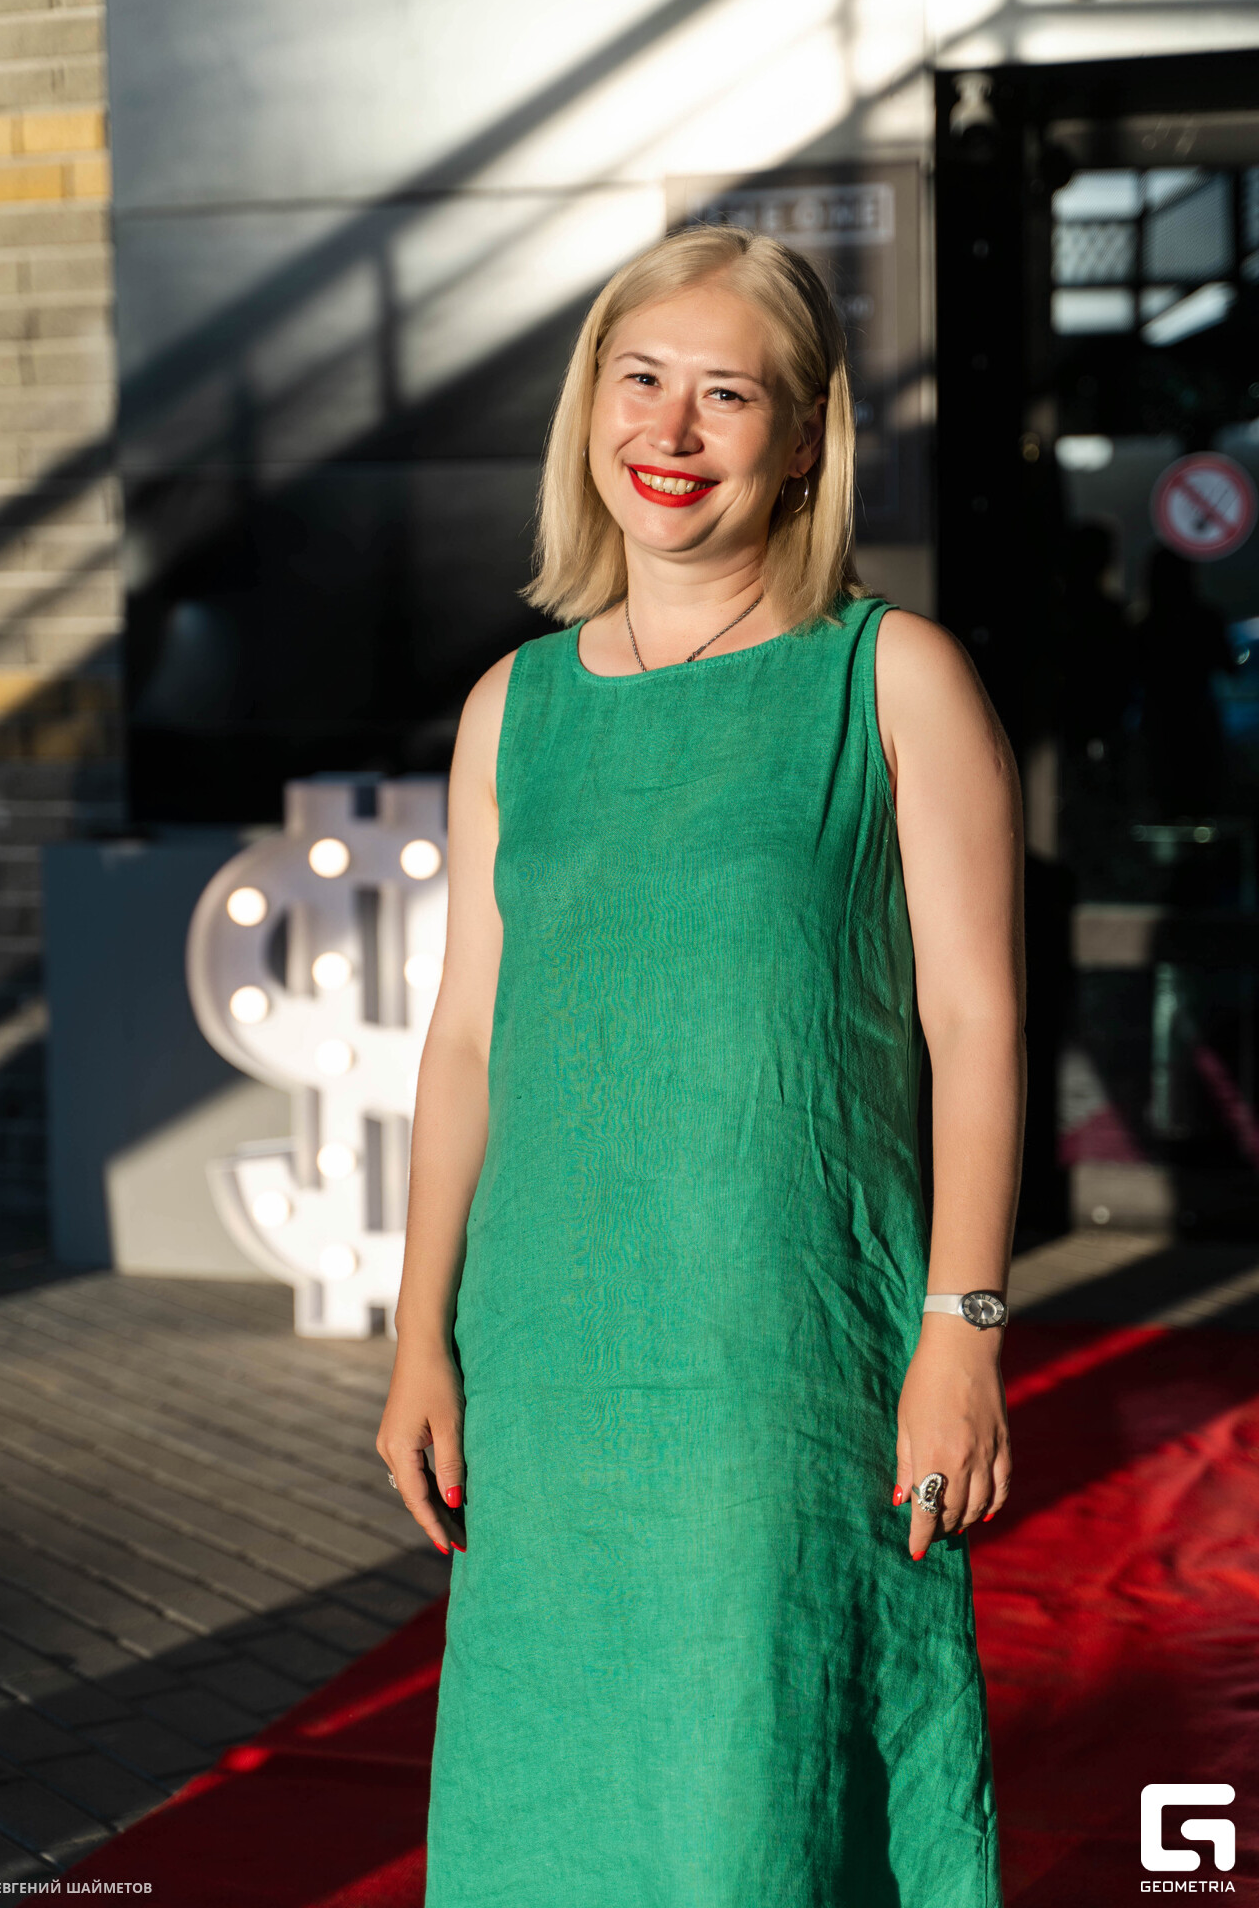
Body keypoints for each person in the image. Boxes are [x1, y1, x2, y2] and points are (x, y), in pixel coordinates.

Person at [376, 224, 1023, 1907]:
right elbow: (467, 1039)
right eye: (639, 378)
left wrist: (962, 1328)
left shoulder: (893, 677)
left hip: (782, 1349)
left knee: (762, 1771)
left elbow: (975, 1022)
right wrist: (419, 1335)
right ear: (589, 407)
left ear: (804, 438)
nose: (669, 430)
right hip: (550, 1354)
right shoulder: (511, 708)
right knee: (556, 1778)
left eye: (725, 394)